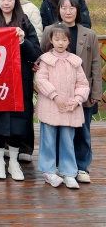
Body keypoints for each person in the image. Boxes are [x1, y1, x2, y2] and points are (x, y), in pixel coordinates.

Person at [0, 0, 40, 181]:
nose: (6, 3)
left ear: (16, 1)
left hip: (19, 81)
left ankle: (13, 161)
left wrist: (22, 41)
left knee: (18, 121)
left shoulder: (24, 21)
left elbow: (35, 54)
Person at [41, 0, 102, 184]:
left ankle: (81, 167)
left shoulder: (89, 34)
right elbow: (41, 55)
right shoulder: (50, 30)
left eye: (72, 7)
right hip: (54, 95)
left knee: (82, 132)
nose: (68, 11)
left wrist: (95, 93)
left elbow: (95, 64)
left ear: (78, 10)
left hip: (80, 92)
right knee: (54, 132)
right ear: (58, 10)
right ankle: (56, 168)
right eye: (64, 8)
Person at [35, 23, 91, 189]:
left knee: (68, 140)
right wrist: (55, 96)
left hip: (69, 108)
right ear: (51, 40)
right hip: (50, 106)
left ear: (69, 41)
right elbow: (41, 80)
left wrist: (78, 100)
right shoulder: (45, 60)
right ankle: (48, 171)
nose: (60, 43)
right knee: (48, 139)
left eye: (64, 40)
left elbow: (82, 83)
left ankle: (69, 172)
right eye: (57, 39)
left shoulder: (75, 61)